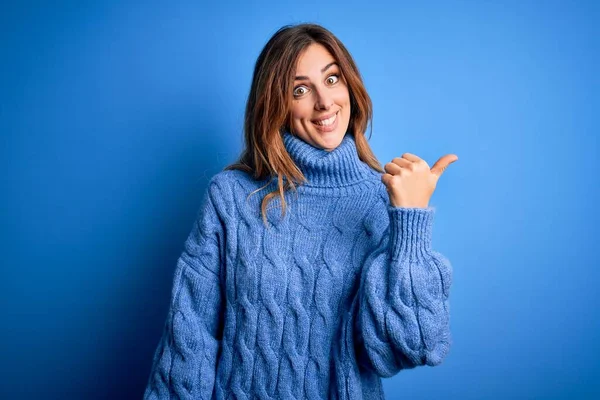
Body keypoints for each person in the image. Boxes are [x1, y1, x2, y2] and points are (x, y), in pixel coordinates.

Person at [143, 23, 458, 400]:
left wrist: (411, 221)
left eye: (332, 79)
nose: (324, 103)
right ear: (276, 103)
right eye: (301, 89)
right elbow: (188, 339)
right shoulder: (230, 198)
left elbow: (414, 346)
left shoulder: (384, 201)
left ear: (350, 87)